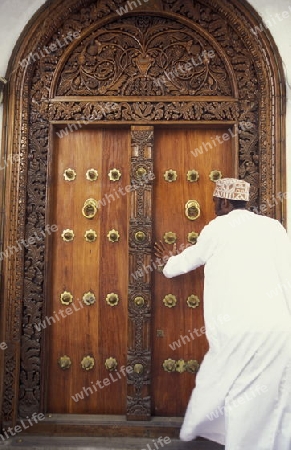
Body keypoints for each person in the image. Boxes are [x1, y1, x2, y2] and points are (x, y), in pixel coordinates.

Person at [154, 178, 291, 450]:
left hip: (239, 329)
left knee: (238, 390)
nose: (214, 206)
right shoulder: (273, 227)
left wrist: (166, 262)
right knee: (273, 391)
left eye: (216, 201)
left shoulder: (218, 228)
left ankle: (240, 444)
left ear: (225, 202)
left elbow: (188, 260)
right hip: (277, 327)